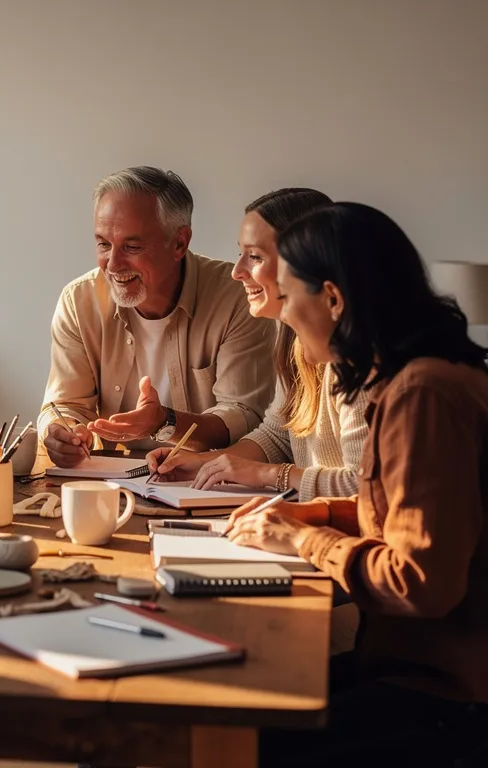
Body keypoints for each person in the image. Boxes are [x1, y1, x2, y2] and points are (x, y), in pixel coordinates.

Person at [223, 203, 488, 766]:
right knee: (234, 704)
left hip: (449, 696)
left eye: (290, 296)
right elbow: (403, 518)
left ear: (334, 300)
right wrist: (309, 518)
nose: (286, 314)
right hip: (411, 670)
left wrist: (302, 543)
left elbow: (420, 580)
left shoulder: (423, 396)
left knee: (232, 739)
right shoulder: (417, 377)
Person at [39, 166, 276, 468]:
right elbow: (63, 405)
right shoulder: (78, 301)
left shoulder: (236, 298)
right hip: (111, 480)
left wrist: (164, 422)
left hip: (203, 479)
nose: (112, 264)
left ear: (179, 243)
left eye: (132, 246)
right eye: (103, 244)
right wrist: (64, 432)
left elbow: (243, 416)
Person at [147, 188, 370, 501]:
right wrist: (205, 464)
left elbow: (366, 488)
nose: (237, 272)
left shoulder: (359, 357)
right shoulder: (291, 336)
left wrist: (269, 475)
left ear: (305, 262)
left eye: (254, 256)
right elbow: (278, 436)